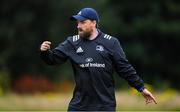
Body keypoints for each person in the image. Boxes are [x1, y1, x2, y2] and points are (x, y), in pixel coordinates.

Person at [40, 7, 157, 111]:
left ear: (93, 23)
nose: (78, 26)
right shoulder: (72, 42)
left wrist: (141, 88)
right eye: (77, 23)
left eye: (82, 22)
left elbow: (125, 68)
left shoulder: (111, 43)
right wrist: (45, 52)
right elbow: (53, 59)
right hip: (78, 106)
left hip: (104, 106)